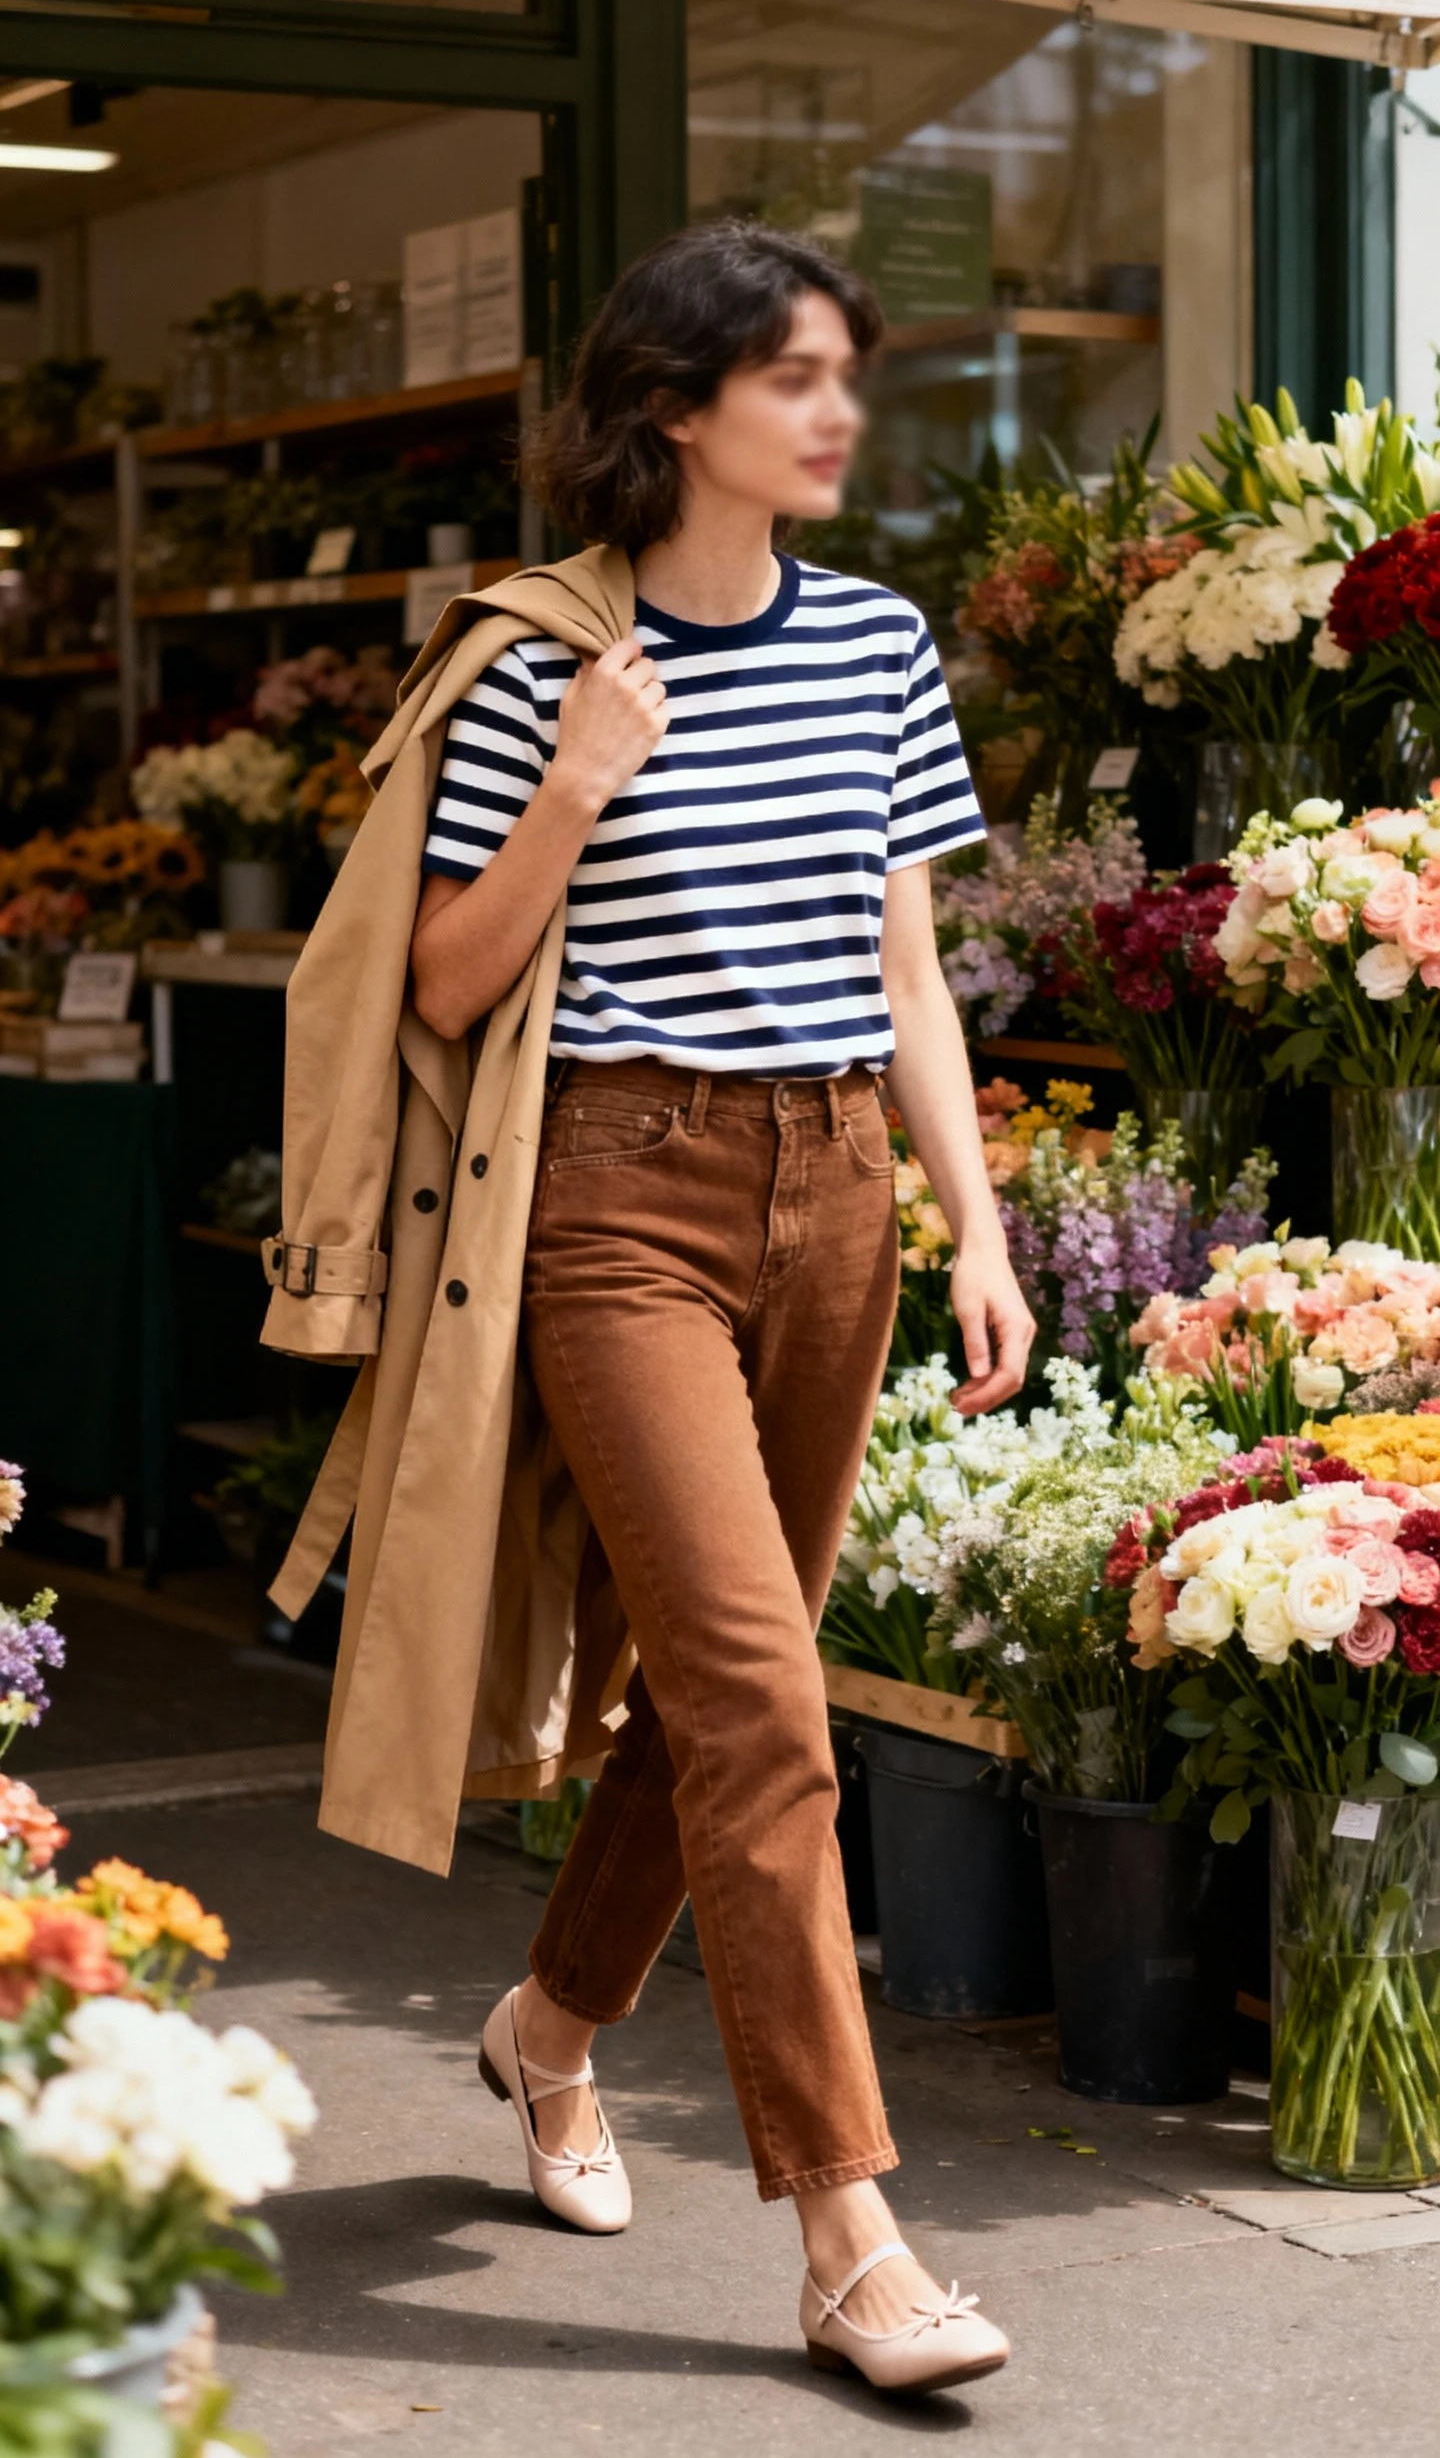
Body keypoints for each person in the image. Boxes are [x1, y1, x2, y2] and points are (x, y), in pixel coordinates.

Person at [409, 220, 1035, 2398]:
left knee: (711, 1703)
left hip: (839, 1191)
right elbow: (444, 978)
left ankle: (548, 2027)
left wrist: (978, 1219)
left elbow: (908, 965)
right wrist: (576, 785)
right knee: (768, 1698)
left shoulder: (877, 642)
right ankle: (850, 2235)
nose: (840, 408)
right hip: (620, 1200)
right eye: (796, 376)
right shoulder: (534, 663)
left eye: (845, 371)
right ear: (676, 408)